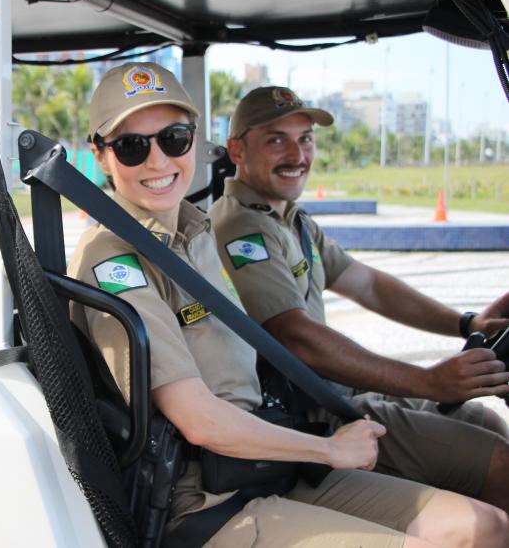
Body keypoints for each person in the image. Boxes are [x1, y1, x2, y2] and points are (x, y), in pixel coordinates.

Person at [68, 62, 508, 546]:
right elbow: (200, 418)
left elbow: (367, 284)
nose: (157, 161)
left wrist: (466, 322)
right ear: (102, 157)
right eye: (132, 147)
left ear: (194, 140)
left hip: (263, 459)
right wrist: (328, 449)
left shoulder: (194, 234)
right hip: (206, 497)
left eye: (173, 138)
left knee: (481, 527)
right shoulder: (114, 258)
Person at [208, 85, 509, 513]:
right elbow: (296, 337)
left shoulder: (290, 219)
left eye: (305, 139)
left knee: (486, 422)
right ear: (237, 150)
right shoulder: (240, 229)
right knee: (497, 462)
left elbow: (365, 282)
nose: (297, 155)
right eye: (277, 140)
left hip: (337, 395)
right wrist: (428, 382)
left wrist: (466, 324)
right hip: (312, 414)